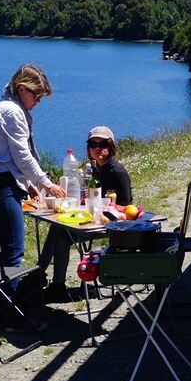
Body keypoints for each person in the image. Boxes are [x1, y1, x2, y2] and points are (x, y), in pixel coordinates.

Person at [0, 64, 66, 276]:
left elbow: (7, 157)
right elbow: (22, 156)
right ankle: (10, 304)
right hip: (2, 188)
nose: (37, 102)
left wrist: (29, 184)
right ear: (22, 89)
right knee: (13, 251)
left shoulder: (5, 108)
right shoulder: (13, 112)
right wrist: (46, 184)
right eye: (36, 96)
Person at [38, 125, 132, 303]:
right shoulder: (96, 169)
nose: (97, 149)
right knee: (58, 229)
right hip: (95, 220)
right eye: (93, 144)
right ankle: (52, 283)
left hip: (112, 225)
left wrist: (104, 207)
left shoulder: (117, 171)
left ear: (111, 146)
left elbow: (126, 208)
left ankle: (42, 276)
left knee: (61, 235)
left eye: (102, 144)